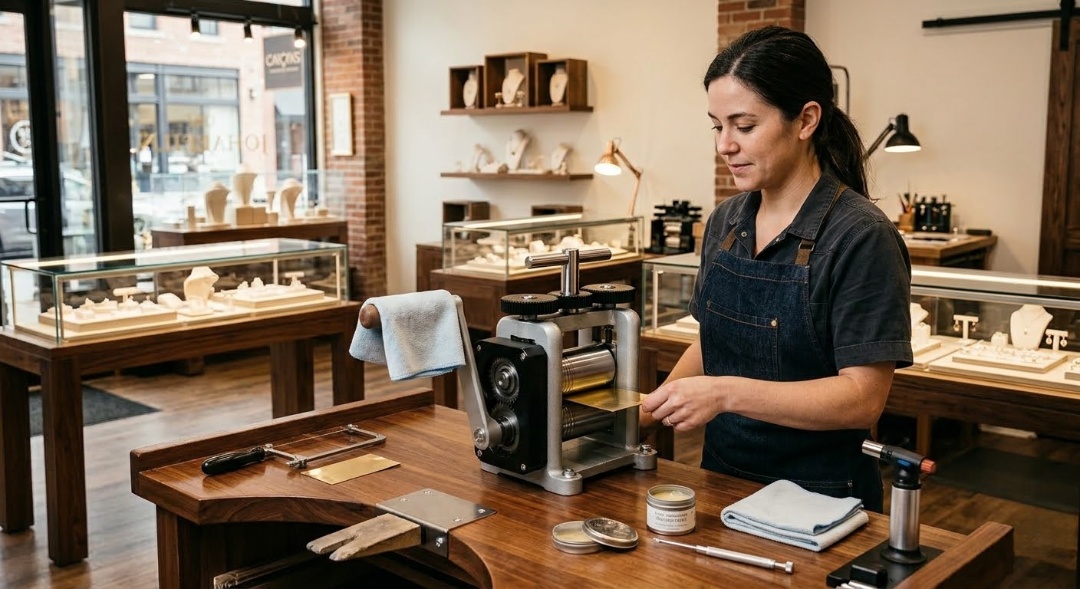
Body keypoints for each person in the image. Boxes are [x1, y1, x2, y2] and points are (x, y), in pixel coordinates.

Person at [640, 25, 912, 512]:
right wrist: (648, 408)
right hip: (722, 485)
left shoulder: (859, 236)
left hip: (823, 501)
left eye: (744, 126)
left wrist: (725, 394)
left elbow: (862, 398)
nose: (724, 145)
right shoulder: (727, 221)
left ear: (806, 120)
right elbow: (712, 342)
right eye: (716, 126)